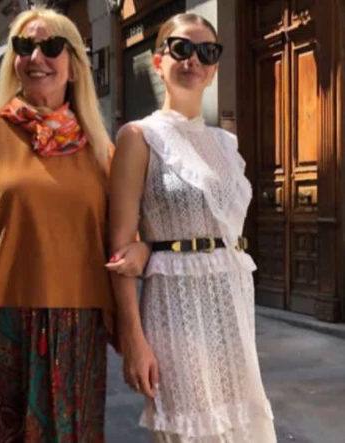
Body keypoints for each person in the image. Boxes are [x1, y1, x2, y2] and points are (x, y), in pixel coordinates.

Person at [0, 8, 149, 443]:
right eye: (24, 46)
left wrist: (141, 251)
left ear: (74, 65)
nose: (36, 57)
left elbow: (123, 241)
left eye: (51, 47)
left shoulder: (99, 150)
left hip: (77, 332)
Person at [109, 13, 277, 443]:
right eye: (181, 48)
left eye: (207, 52)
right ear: (158, 61)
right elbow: (119, 250)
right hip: (175, 310)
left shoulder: (225, 143)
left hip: (231, 305)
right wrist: (134, 340)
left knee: (241, 428)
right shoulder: (138, 137)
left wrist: (150, 246)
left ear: (215, 67)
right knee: (191, 431)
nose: (194, 60)